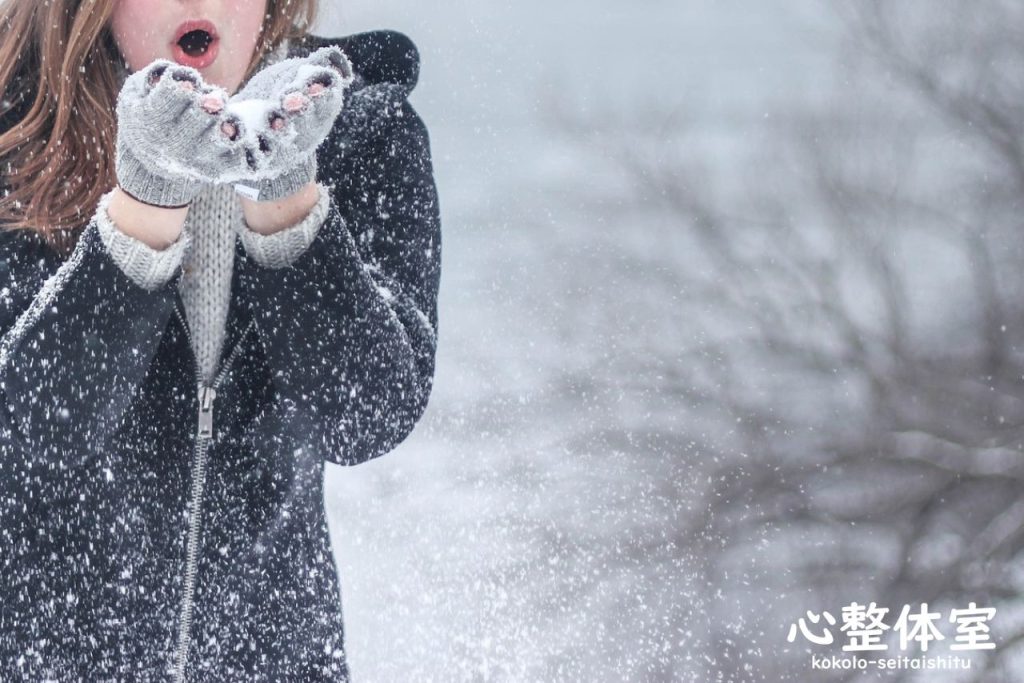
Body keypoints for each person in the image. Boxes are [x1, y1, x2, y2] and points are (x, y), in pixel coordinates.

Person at [0, 0, 441, 679]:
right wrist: (146, 201)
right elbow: (33, 426)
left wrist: (285, 196)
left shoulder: (361, 133)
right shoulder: (16, 135)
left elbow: (367, 415)